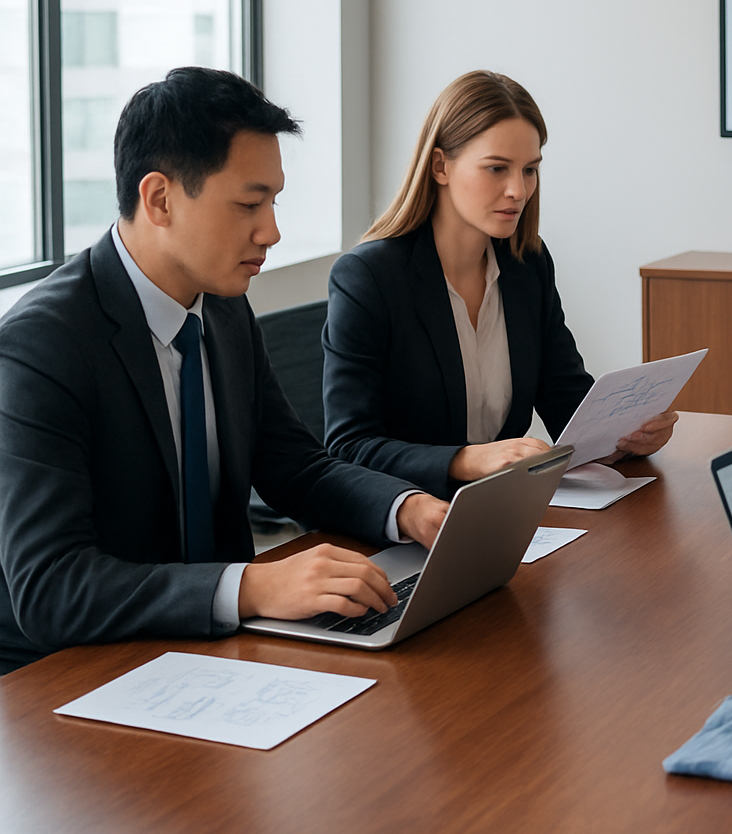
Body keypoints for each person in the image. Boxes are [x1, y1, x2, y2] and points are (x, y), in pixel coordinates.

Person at [0, 68, 448, 673]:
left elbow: (295, 468)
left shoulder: (223, 307)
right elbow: (51, 587)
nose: (272, 231)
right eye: (248, 204)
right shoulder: (41, 346)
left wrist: (407, 508)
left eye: (273, 202)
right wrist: (252, 587)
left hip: (215, 652)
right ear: (159, 199)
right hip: (76, 674)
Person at [323, 70, 675, 498]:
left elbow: (566, 401)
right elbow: (349, 446)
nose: (518, 190)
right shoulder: (369, 276)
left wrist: (625, 436)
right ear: (440, 166)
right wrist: (467, 459)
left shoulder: (528, 264)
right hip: (410, 514)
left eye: (529, 170)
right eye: (496, 169)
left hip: (505, 506)